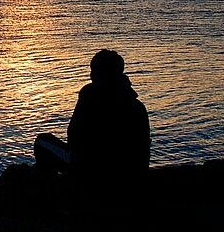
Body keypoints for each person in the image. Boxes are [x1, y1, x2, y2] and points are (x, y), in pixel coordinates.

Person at [34, 49, 150, 198]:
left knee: (42, 141)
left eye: (93, 72)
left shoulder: (90, 95)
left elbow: (73, 137)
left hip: (93, 173)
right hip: (132, 177)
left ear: (98, 74)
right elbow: (144, 148)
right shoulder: (137, 106)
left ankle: (51, 197)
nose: (90, 75)